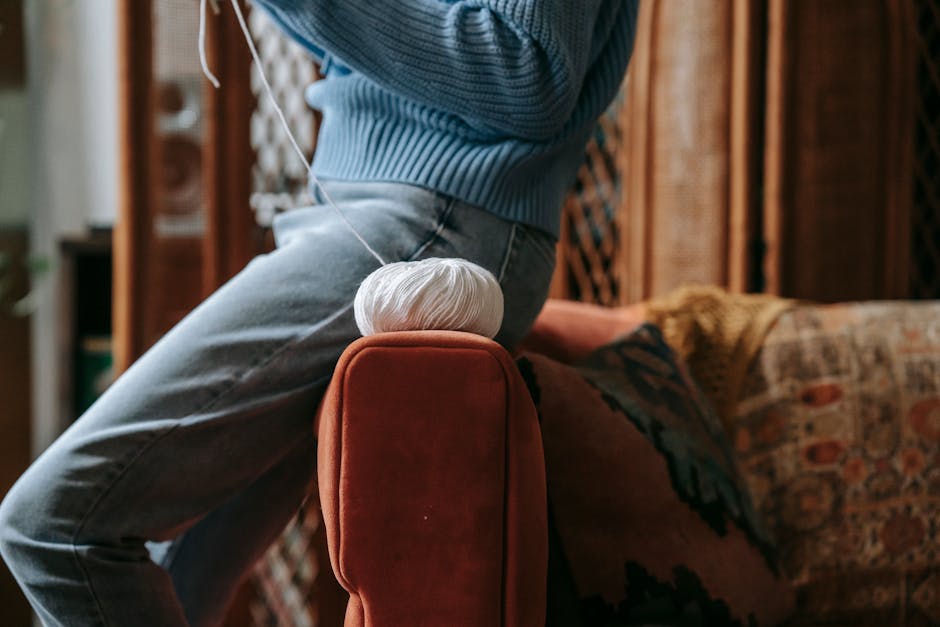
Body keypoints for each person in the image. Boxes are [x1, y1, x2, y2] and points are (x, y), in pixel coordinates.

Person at [0, 1, 639, 624]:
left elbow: (524, 75)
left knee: (57, 527)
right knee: (159, 576)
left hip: (432, 224)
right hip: (381, 217)